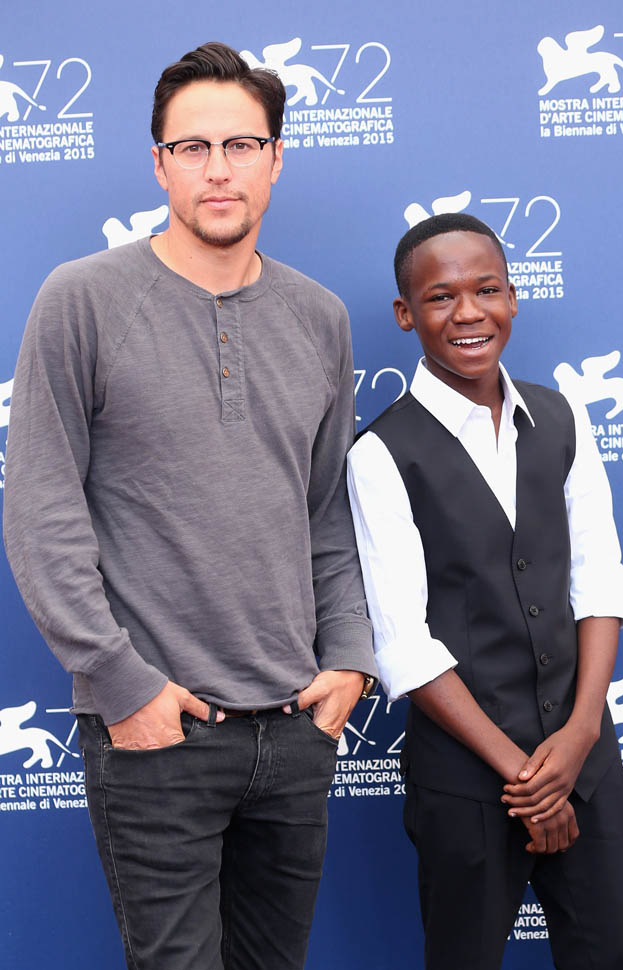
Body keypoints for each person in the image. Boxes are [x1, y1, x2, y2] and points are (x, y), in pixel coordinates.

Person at [3, 41, 376, 970]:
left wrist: (348, 661)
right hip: (156, 732)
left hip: (294, 727)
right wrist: (122, 685)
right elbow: (43, 508)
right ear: (159, 163)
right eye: (193, 147)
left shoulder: (320, 317)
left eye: (241, 145)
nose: (218, 169)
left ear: (276, 158)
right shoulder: (82, 299)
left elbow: (326, 514)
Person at [347, 213, 623, 969]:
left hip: (585, 761)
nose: (468, 312)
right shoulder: (381, 453)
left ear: (513, 297)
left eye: (486, 290)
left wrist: (579, 737)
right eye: (440, 296)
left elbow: (598, 582)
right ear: (405, 314)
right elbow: (403, 645)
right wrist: (527, 781)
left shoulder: (562, 417)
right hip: (467, 782)